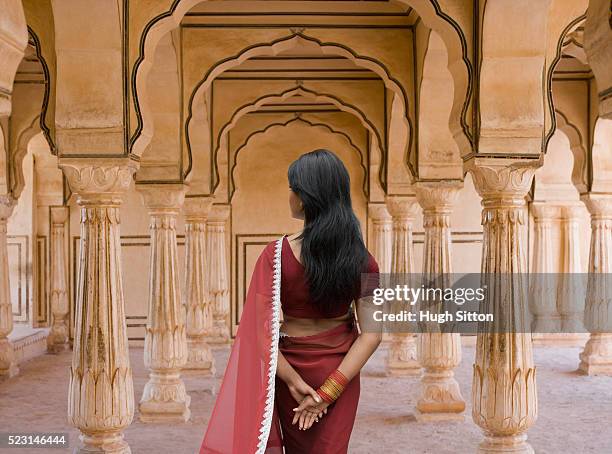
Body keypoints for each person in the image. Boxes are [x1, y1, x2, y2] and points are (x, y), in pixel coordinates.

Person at [200, 149, 382, 454]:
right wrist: (330, 390)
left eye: (292, 188)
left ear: (305, 196)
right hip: (341, 370)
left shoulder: (274, 256)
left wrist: (295, 383)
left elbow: (258, 332)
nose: (290, 196)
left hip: (287, 371)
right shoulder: (366, 262)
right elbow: (373, 335)